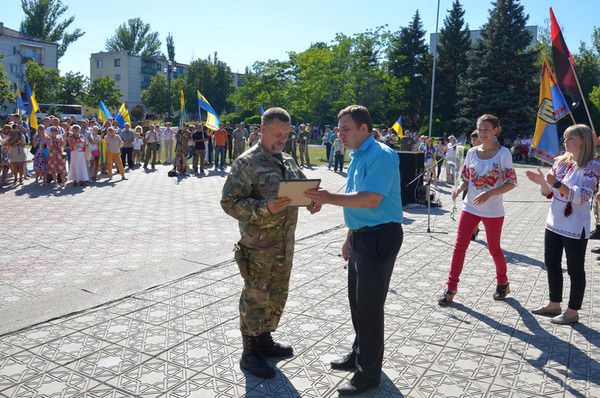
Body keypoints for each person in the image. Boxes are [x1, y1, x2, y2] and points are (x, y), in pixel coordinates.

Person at [305, 105, 402, 396]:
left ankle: (368, 374)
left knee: (371, 307)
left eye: (346, 129)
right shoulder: (359, 155)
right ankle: (360, 353)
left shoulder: (381, 155)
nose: (340, 134)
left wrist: (328, 198)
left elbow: (371, 199)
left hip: (380, 237)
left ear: (364, 129)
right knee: (357, 302)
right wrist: (350, 236)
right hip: (362, 236)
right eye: (339, 129)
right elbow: (356, 200)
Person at [221, 107, 321, 379]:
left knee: (276, 293)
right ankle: (249, 353)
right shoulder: (247, 163)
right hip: (257, 248)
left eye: (286, 135)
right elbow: (229, 203)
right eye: (277, 134)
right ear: (262, 129)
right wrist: (266, 208)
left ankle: (264, 340)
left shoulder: (287, 160)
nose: (281, 140)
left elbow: (303, 189)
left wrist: (312, 201)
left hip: (283, 244)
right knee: (255, 297)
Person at [439, 114, 517, 305]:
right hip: (471, 208)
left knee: (494, 248)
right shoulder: (472, 152)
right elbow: (467, 177)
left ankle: (502, 282)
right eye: (480, 130)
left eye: (486, 130)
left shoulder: (503, 153)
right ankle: (451, 288)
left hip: (493, 211)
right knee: (459, 247)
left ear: (496, 130)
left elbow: (511, 182)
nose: (482, 133)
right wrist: (459, 188)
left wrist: (490, 194)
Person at [526, 124, 600, 324]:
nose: (566, 142)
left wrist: (558, 184)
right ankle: (554, 303)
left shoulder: (593, 166)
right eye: (565, 138)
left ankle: (572, 311)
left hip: (575, 225)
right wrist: (542, 182)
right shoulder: (561, 161)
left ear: (583, 140)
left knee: (575, 269)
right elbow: (549, 193)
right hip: (554, 221)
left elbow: (583, 196)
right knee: (552, 263)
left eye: (571, 138)